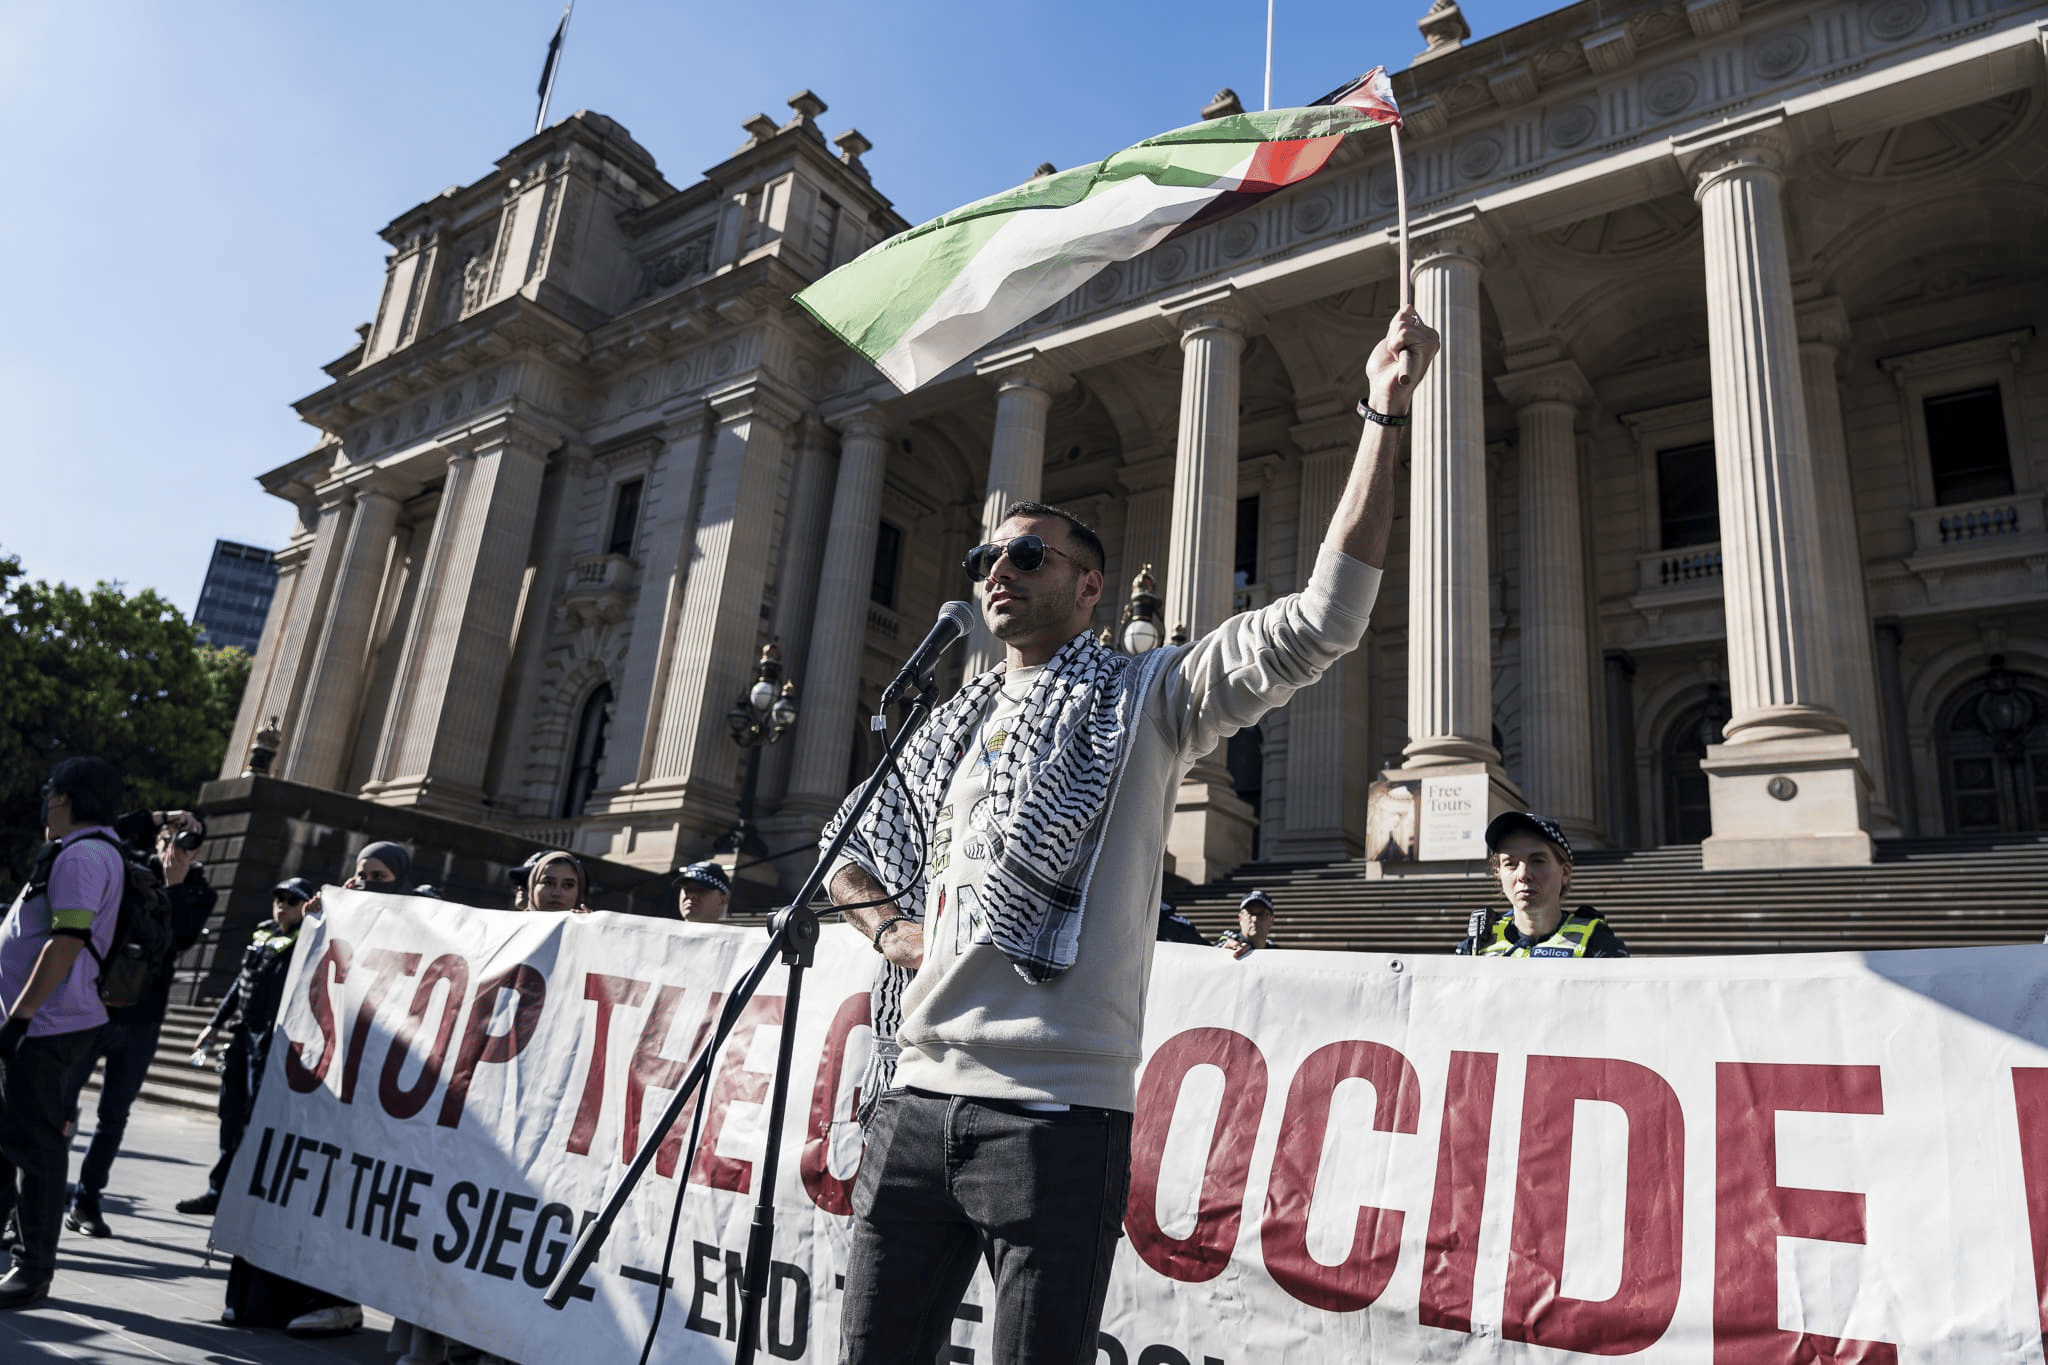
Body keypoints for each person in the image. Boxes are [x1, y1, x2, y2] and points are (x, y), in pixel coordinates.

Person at [823, 306, 1437, 1363]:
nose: (997, 570)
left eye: (1027, 553)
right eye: (985, 556)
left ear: (1089, 587)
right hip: (911, 1102)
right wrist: (890, 936)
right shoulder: (947, 725)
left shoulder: (1145, 695)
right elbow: (845, 851)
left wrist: (1381, 415)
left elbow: (1321, 620)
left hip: (1056, 1119)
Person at [0, 757, 128, 1307]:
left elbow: (66, 942)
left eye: (50, 792)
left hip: (48, 1024)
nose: (45, 802)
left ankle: (34, 1269)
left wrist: (20, 1019)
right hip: (45, 1020)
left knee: (36, 1148)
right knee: (12, 1139)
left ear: (65, 798)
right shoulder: (89, 850)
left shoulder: (83, 855)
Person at [61, 807, 215, 1238]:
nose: (179, 845)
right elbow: (113, 827)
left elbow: (179, 940)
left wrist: (176, 885)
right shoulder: (127, 869)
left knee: (114, 1117)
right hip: (93, 1006)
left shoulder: (198, 891)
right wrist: (163, 816)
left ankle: (87, 1200)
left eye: (190, 841)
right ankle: (32, 1193)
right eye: (174, 836)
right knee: (60, 1105)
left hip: (143, 1018)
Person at [1456, 812, 1629, 958]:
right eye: (1510, 863)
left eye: (1538, 861)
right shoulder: (1476, 945)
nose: (1523, 875)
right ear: (1498, 873)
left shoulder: (1599, 944)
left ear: (1565, 873)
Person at [1214, 888, 1278, 959]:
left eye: (1261, 914)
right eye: (1250, 913)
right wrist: (1226, 949)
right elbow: (1223, 942)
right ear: (1240, 918)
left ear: (1272, 919)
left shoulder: (1275, 952)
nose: (1254, 919)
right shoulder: (1231, 942)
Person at [525, 852, 589, 914]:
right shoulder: (517, 923)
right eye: (548, 883)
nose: (556, 893)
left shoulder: (591, 924)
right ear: (532, 886)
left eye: (568, 885)